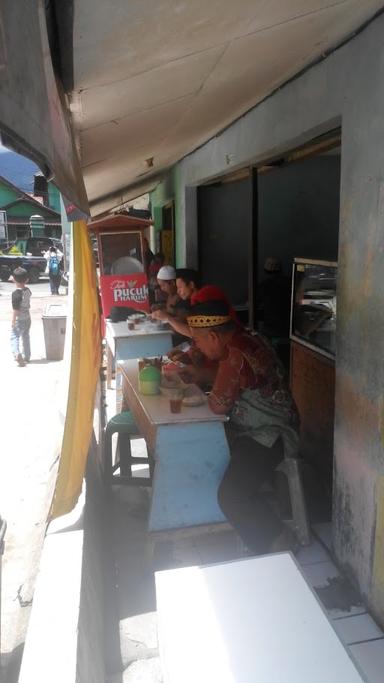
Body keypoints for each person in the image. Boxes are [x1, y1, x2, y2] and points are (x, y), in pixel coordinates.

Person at [185, 299, 300, 555]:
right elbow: (234, 382)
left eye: (199, 341)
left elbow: (218, 405)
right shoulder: (248, 338)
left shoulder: (236, 355)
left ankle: (278, 541)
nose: (198, 347)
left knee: (231, 495)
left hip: (271, 435)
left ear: (213, 336)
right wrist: (203, 376)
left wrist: (206, 386)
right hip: (271, 426)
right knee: (211, 451)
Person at [257, 257, 291, 338]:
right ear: (281, 270)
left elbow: (254, 303)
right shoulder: (289, 282)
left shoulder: (264, 285)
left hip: (271, 328)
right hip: (288, 327)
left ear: (265, 271)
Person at [11, 267, 32, 367]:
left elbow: (16, 310)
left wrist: (13, 321)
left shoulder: (16, 294)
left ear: (14, 279)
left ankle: (16, 353)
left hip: (19, 319)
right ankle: (26, 356)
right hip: (28, 318)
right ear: (27, 279)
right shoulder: (28, 290)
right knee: (25, 336)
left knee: (14, 336)